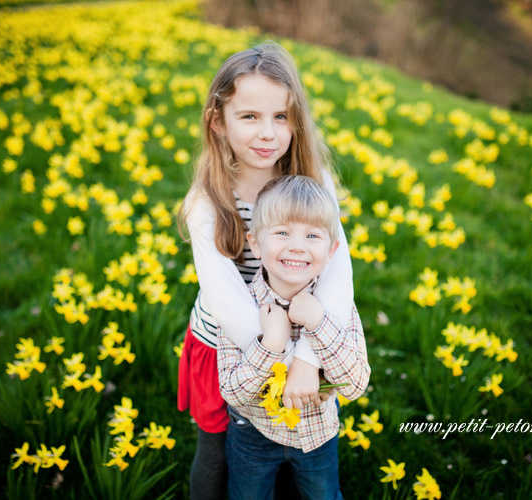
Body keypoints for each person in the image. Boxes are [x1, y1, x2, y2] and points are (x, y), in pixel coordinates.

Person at [177, 43, 354, 499]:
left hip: (305, 335)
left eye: (280, 117)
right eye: (249, 116)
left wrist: (307, 360)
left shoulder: (313, 182)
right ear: (218, 121)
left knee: (300, 452)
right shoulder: (207, 200)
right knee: (220, 461)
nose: (267, 133)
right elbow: (227, 303)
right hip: (229, 347)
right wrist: (274, 353)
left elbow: (338, 273)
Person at [217, 175, 370, 500]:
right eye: (283, 232)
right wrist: (270, 344)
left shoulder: (336, 306)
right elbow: (232, 392)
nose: (297, 245)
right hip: (253, 435)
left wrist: (317, 322)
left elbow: (355, 385)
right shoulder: (240, 305)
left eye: (312, 235)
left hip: (317, 436)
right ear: (256, 244)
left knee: (324, 495)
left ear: (331, 251)